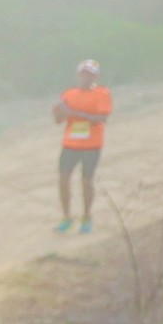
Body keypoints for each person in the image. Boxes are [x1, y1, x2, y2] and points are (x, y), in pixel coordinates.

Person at [55, 58, 113, 234]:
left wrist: (74, 113)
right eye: (84, 73)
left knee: (86, 181)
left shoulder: (102, 93)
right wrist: (57, 112)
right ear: (78, 75)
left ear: (96, 77)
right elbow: (59, 120)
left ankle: (86, 217)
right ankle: (66, 217)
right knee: (63, 180)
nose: (86, 77)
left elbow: (101, 118)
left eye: (90, 74)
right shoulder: (69, 94)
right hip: (70, 144)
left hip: (91, 145)